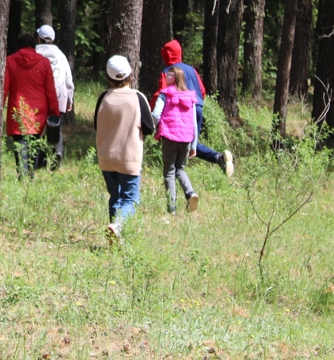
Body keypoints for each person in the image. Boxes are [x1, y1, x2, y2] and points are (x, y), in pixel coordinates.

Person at [94, 55, 155, 242]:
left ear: (108, 76)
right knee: (131, 199)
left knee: (115, 197)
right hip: (129, 157)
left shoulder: (104, 97)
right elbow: (150, 127)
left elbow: (97, 124)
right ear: (130, 74)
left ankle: (115, 235)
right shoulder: (137, 97)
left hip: (106, 157)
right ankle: (118, 226)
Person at [151, 40, 234, 177]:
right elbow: (202, 90)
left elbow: (161, 93)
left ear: (166, 54)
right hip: (197, 106)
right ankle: (219, 159)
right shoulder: (192, 70)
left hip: (180, 113)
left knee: (182, 140)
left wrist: (151, 109)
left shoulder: (168, 72)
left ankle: (214, 159)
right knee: (189, 140)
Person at [4, 33, 60, 179]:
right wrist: (54, 112)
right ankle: (31, 173)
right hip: (38, 111)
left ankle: (22, 173)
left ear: (18, 47)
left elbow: (4, 88)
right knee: (35, 141)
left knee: (20, 142)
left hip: (18, 108)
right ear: (34, 47)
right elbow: (50, 90)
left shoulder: (10, 61)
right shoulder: (44, 62)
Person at [152, 66, 200, 214]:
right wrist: (194, 145)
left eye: (168, 75)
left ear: (171, 78)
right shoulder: (190, 97)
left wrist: (152, 128)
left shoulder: (165, 95)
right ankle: (190, 193)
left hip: (170, 137)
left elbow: (155, 114)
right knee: (180, 169)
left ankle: (172, 208)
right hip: (186, 139)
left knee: (169, 172)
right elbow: (194, 122)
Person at [35, 25, 74, 167]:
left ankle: (40, 161)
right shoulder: (61, 55)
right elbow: (68, 80)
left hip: (39, 95)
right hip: (60, 96)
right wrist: (70, 100)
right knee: (56, 125)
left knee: (38, 128)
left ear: (39, 38)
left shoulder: (35, 53)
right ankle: (57, 151)